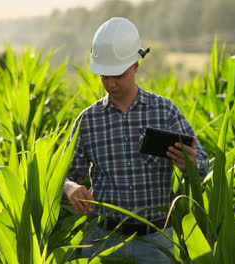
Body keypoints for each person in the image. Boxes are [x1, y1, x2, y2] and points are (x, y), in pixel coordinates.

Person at [63, 17, 209, 263]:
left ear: (135, 65)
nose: (110, 84)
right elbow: (62, 176)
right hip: (102, 240)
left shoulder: (165, 112)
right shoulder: (88, 120)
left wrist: (191, 165)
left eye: (117, 75)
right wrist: (70, 187)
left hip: (156, 242)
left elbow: (203, 165)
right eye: (103, 76)